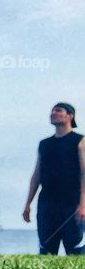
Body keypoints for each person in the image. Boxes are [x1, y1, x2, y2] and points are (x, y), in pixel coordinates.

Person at [23, 102, 85, 255]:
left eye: (58, 110)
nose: (53, 113)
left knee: (75, 250)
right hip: (47, 202)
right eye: (52, 110)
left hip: (72, 203)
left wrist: (82, 204)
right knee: (46, 250)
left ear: (70, 116)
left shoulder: (80, 141)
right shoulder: (44, 144)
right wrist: (28, 204)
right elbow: (36, 175)